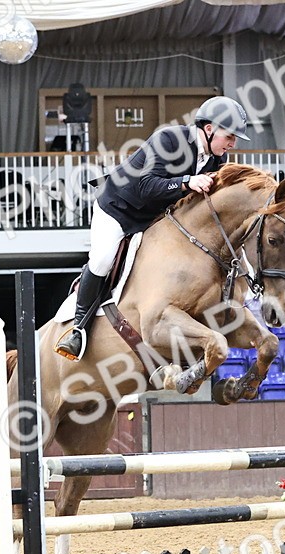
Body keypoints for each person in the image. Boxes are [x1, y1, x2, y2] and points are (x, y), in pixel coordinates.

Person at [54, 96, 251, 361]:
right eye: (229, 136)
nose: (232, 143)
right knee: (101, 260)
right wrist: (186, 182)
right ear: (208, 129)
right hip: (119, 209)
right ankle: (79, 328)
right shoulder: (169, 141)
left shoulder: (218, 159)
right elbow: (145, 185)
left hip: (154, 218)